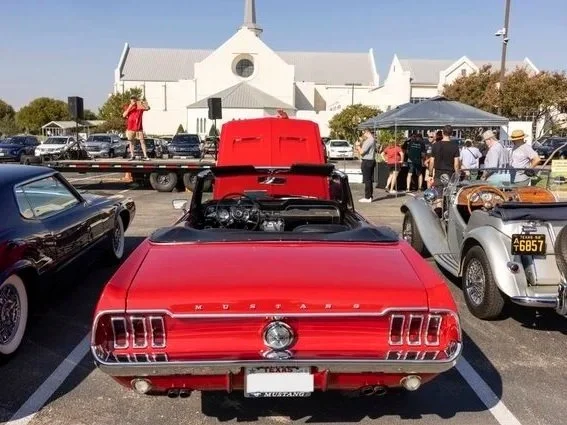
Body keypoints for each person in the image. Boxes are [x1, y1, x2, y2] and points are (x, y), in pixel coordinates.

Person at [123, 95, 151, 161]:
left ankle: (145, 156)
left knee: (142, 141)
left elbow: (148, 108)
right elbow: (124, 115)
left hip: (139, 127)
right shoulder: (128, 106)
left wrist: (143, 103)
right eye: (132, 99)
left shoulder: (139, 106)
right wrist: (130, 107)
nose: (133, 100)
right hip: (130, 128)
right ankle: (132, 156)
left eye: (134, 99)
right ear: (130, 100)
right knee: (131, 142)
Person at [355, 129, 376, 202]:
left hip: (367, 161)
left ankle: (368, 197)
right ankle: (369, 196)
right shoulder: (371, 139)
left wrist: (357, 146)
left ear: (367, 132)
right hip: (370, 161)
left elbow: (361, 152)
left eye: (363, 132)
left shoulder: (369, 141)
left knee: (367, 180)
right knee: (368, 180)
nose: (363, 134)